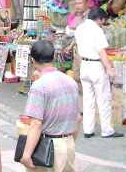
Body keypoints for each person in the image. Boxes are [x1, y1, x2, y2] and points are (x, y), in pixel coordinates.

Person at [19, 40, 81, 171]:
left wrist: (26, 154)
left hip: (47, 147)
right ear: (53, 57)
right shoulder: (71, 82)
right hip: (68, 145)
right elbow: (78, 118)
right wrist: (69, 141)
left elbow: (36, 124)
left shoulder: (39, 86)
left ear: (33, 60)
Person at [75, 8, 124, 139]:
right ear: (100, 19)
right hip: (96, 66)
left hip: (84, 65)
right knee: (103, 99)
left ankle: (88, 130)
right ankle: (106, 130)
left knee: (88, 99)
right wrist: (109, 68)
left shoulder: (80, 28)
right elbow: (101, 51)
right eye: (103, 20)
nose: (103, 23)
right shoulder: (97, 30)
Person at [65, 0, 91, 84]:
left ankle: (87, 94)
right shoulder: (79, 16)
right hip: (78, 49)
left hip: (87, 50)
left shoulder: (91, 16)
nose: (77, 6)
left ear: (87, 4)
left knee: (84, 75)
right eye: (76, 4)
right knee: (76, 75)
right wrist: (71, 46)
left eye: (80, 3)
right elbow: (78, 34)